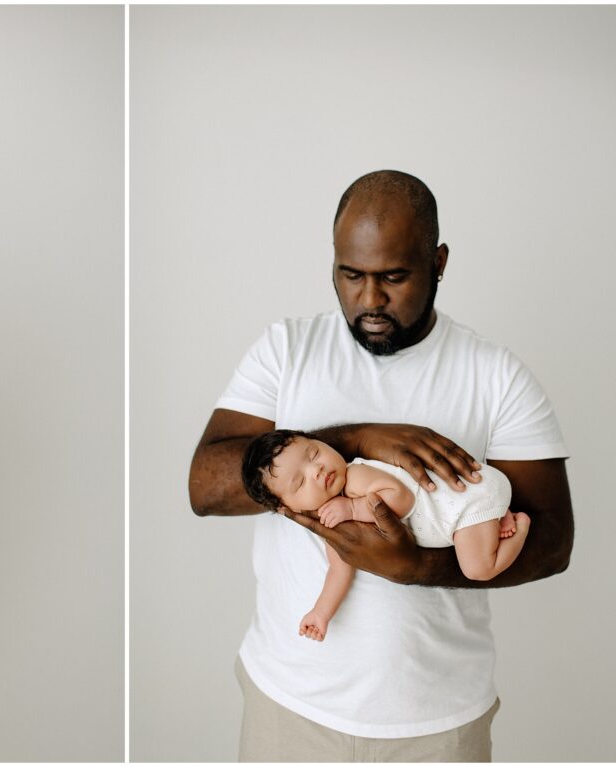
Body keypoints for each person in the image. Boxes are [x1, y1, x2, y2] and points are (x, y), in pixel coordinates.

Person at [189, 170, 573, 762]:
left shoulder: (497, 376)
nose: (369, 299)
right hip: (291, 702)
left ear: (438, 261)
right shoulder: (287, 349)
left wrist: (419, 567)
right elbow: (206, 487)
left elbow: (554, 540)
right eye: (351, 275)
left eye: (393, 276)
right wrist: (355, 437)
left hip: (438, 721)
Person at [242, 429, 528, 642]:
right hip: (464, 514)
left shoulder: (355, 477)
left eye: (314, 453)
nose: (316, 470)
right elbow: (339, 570)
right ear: (287, 508)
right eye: (300, 481)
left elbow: (401, 499)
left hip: (469, 502)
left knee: (477, 568)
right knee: (472, 555)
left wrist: (353, 507)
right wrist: (320, 613)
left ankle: (519, 522)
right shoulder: (332, 522)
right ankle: (498, 516)